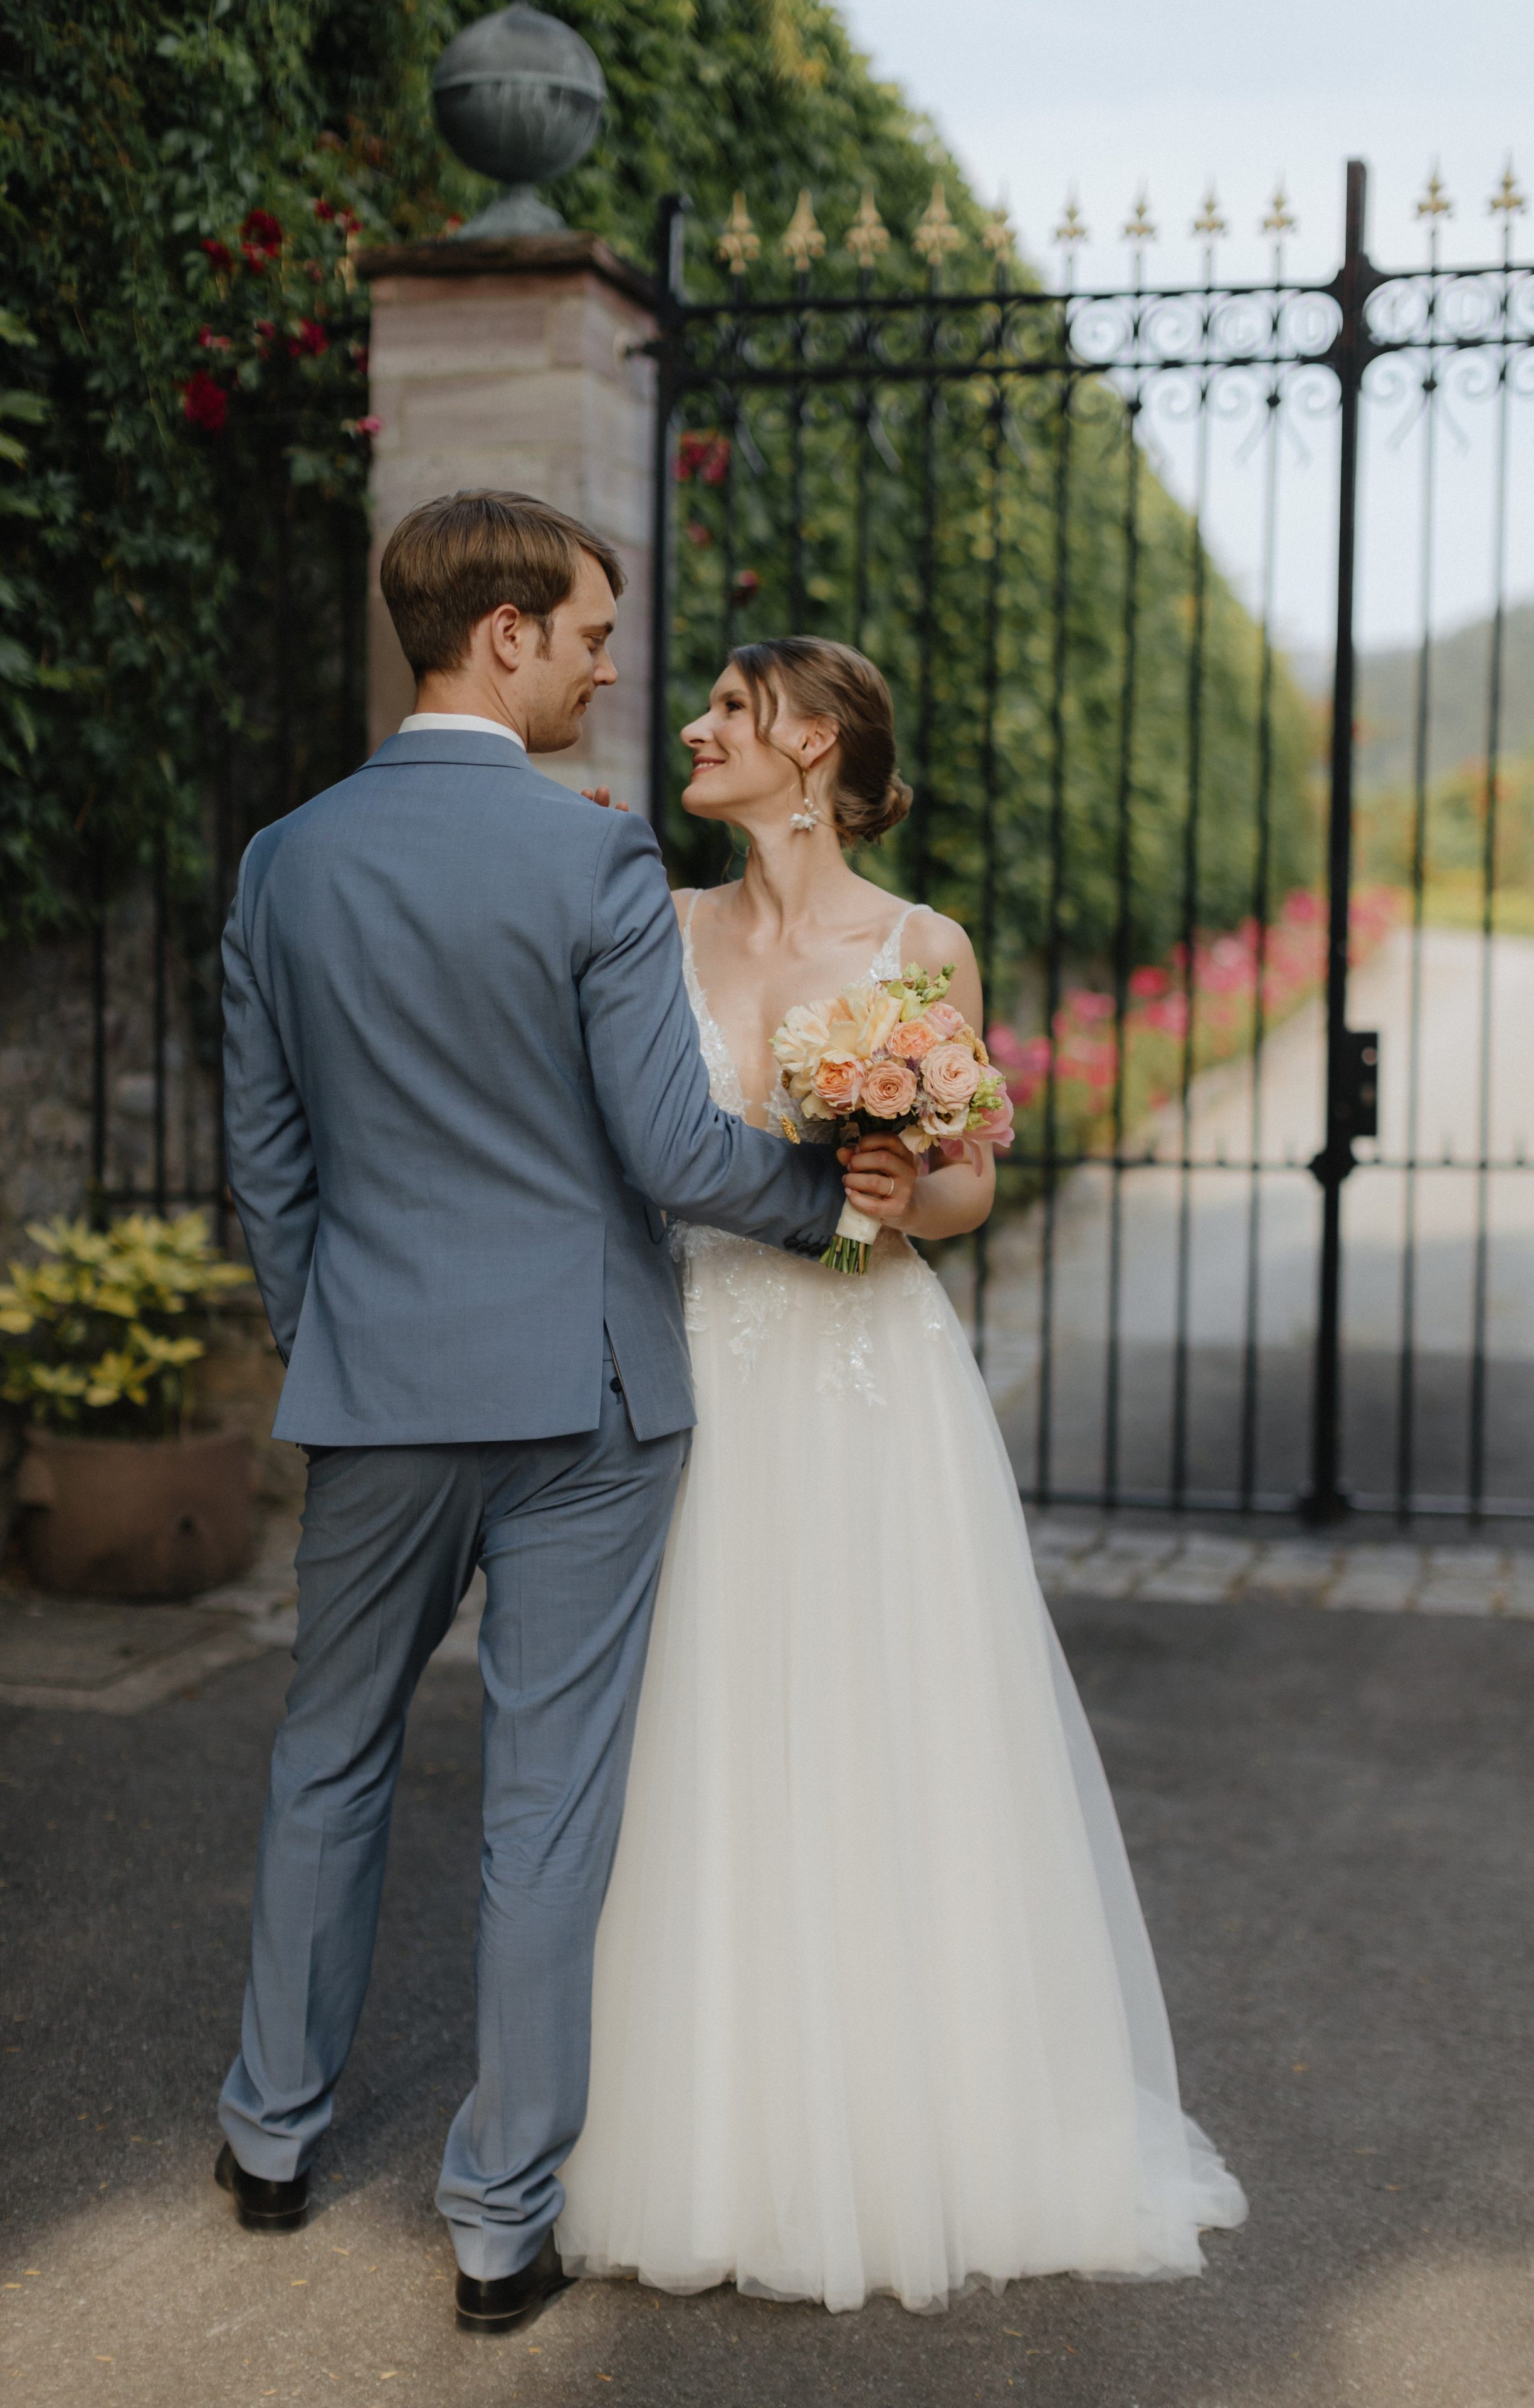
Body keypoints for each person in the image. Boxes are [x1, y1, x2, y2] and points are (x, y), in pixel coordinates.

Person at [213, 492, 891, 2337]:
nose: (611, 666)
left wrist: (335, 1330)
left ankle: (269, 2139)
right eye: (592, 632)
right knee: (545, 1805)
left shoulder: (285, 860)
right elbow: (671, 1149)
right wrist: (833, 1202)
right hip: (586, 1393)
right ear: (501, 633)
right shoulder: (589, 864)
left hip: (377, 1383)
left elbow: (269, 1168)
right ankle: (497, 2223)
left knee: (330, 1751)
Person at [555, 636, 1248, 2311]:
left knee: (892, 1717)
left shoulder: (926, 946)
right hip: (710, 1356)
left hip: (876, 1376)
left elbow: (965, 1195)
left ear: (812, 746)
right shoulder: (661, 923)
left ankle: (919, 2117)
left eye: (730, 709)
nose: (700, 729)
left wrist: (893, 1175)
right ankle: (718, 2123)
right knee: (706, 1724)